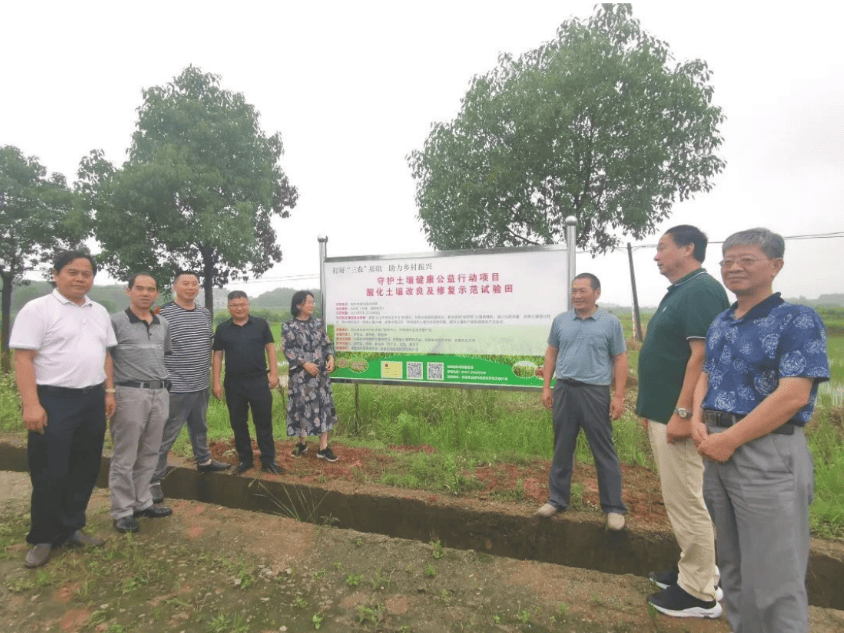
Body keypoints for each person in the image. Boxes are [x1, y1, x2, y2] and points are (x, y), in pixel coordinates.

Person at [692, 228, 828, 633]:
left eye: (746, 260)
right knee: (732, 568)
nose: (733, 268)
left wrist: (730, 439)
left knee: (774, 577)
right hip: (716, 449)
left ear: (775, 266)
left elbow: (793, 396)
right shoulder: (721, 320)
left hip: (767, 453)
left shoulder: (796, 319)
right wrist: (698, 421)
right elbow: (707, 374)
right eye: (727, 261)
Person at [635, 225, 728, 618]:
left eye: (662, 247)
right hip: (664, 413)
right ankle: (695, 570)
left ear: (688, 249)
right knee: (683, 496)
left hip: (680, 417)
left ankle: (699, 594)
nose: (656, 255)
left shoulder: (702, 290)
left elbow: (702, 356)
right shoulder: (683, 291)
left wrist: (683, 413)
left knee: (687, 499)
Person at [10, 251, 117, 568]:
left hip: (92, 399)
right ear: (56, 274)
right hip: (54, 399)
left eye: (87, 273)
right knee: (48, 469)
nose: (81, 278)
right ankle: (43, 537)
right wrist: (31, 403)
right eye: (73, 271)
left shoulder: (99, 312)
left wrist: (109, 391)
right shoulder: (37, 309)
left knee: (85, 467)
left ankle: (72, 526)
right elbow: (23, 359)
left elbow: (106, 356)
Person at [536, 273, 628, 531]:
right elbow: (551, 352)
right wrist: (547, 387)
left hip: (595, 393)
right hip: (564, 389)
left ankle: (613, 508)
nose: (577, 295)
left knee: (604, 450)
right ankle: (557, 500)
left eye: (583, 291)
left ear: (597, 293)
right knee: (562, 447)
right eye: (574, 291)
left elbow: (620, 359)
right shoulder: (561, 321)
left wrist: (619, 396)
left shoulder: (610, 323)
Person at [150, 271, 230, 504]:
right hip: (175, 387)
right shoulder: (163, 313)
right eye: (185, 283)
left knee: (200, 426)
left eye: (194, 283)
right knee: (166, 435)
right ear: (175, 286)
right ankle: (154, 480)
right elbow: (155, 349)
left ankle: (204, 461)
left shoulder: (204, 313)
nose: (191, 287)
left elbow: (208, 343)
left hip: (200, 384)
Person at [108, 273, 174, 534]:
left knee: (150, 451)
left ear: (157, 293)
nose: (145, 293)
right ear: (129, 291)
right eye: (139, 288)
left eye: (151, 289)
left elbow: (162, 357)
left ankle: (142, 502)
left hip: (160, 393)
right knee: (126, 454)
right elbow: (107, 359)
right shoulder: (115, 322)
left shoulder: (163, 324)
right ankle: (122, 511)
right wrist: (109, 392)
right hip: (129, 393)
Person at [212, 291, 284, 475]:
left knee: (264, 422)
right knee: (238, 423)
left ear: (248, 305)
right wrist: (216, 383)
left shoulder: (260, 325)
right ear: (228, 307)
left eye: (242, 304)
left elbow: (270, 350)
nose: (239, 308)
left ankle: (268, 460)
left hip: (259, 380)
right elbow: (218, 356)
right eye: (234, 305)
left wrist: (274, 374)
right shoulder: (222, 329)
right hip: (234, 383)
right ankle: (245, 459)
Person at [282, 291, 339, 462]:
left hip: (319, 375)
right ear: (299, 305)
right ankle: (302, 443)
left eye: (313, 302)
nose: (312, 305)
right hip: (300, 376)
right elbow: (287, 349)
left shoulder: (319, 324)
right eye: (309, 302)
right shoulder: (288, 326)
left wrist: (330, 358)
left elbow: (327, 344)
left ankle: (323, 447)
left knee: (323, 406)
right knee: (301, 407)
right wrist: (304, 363)